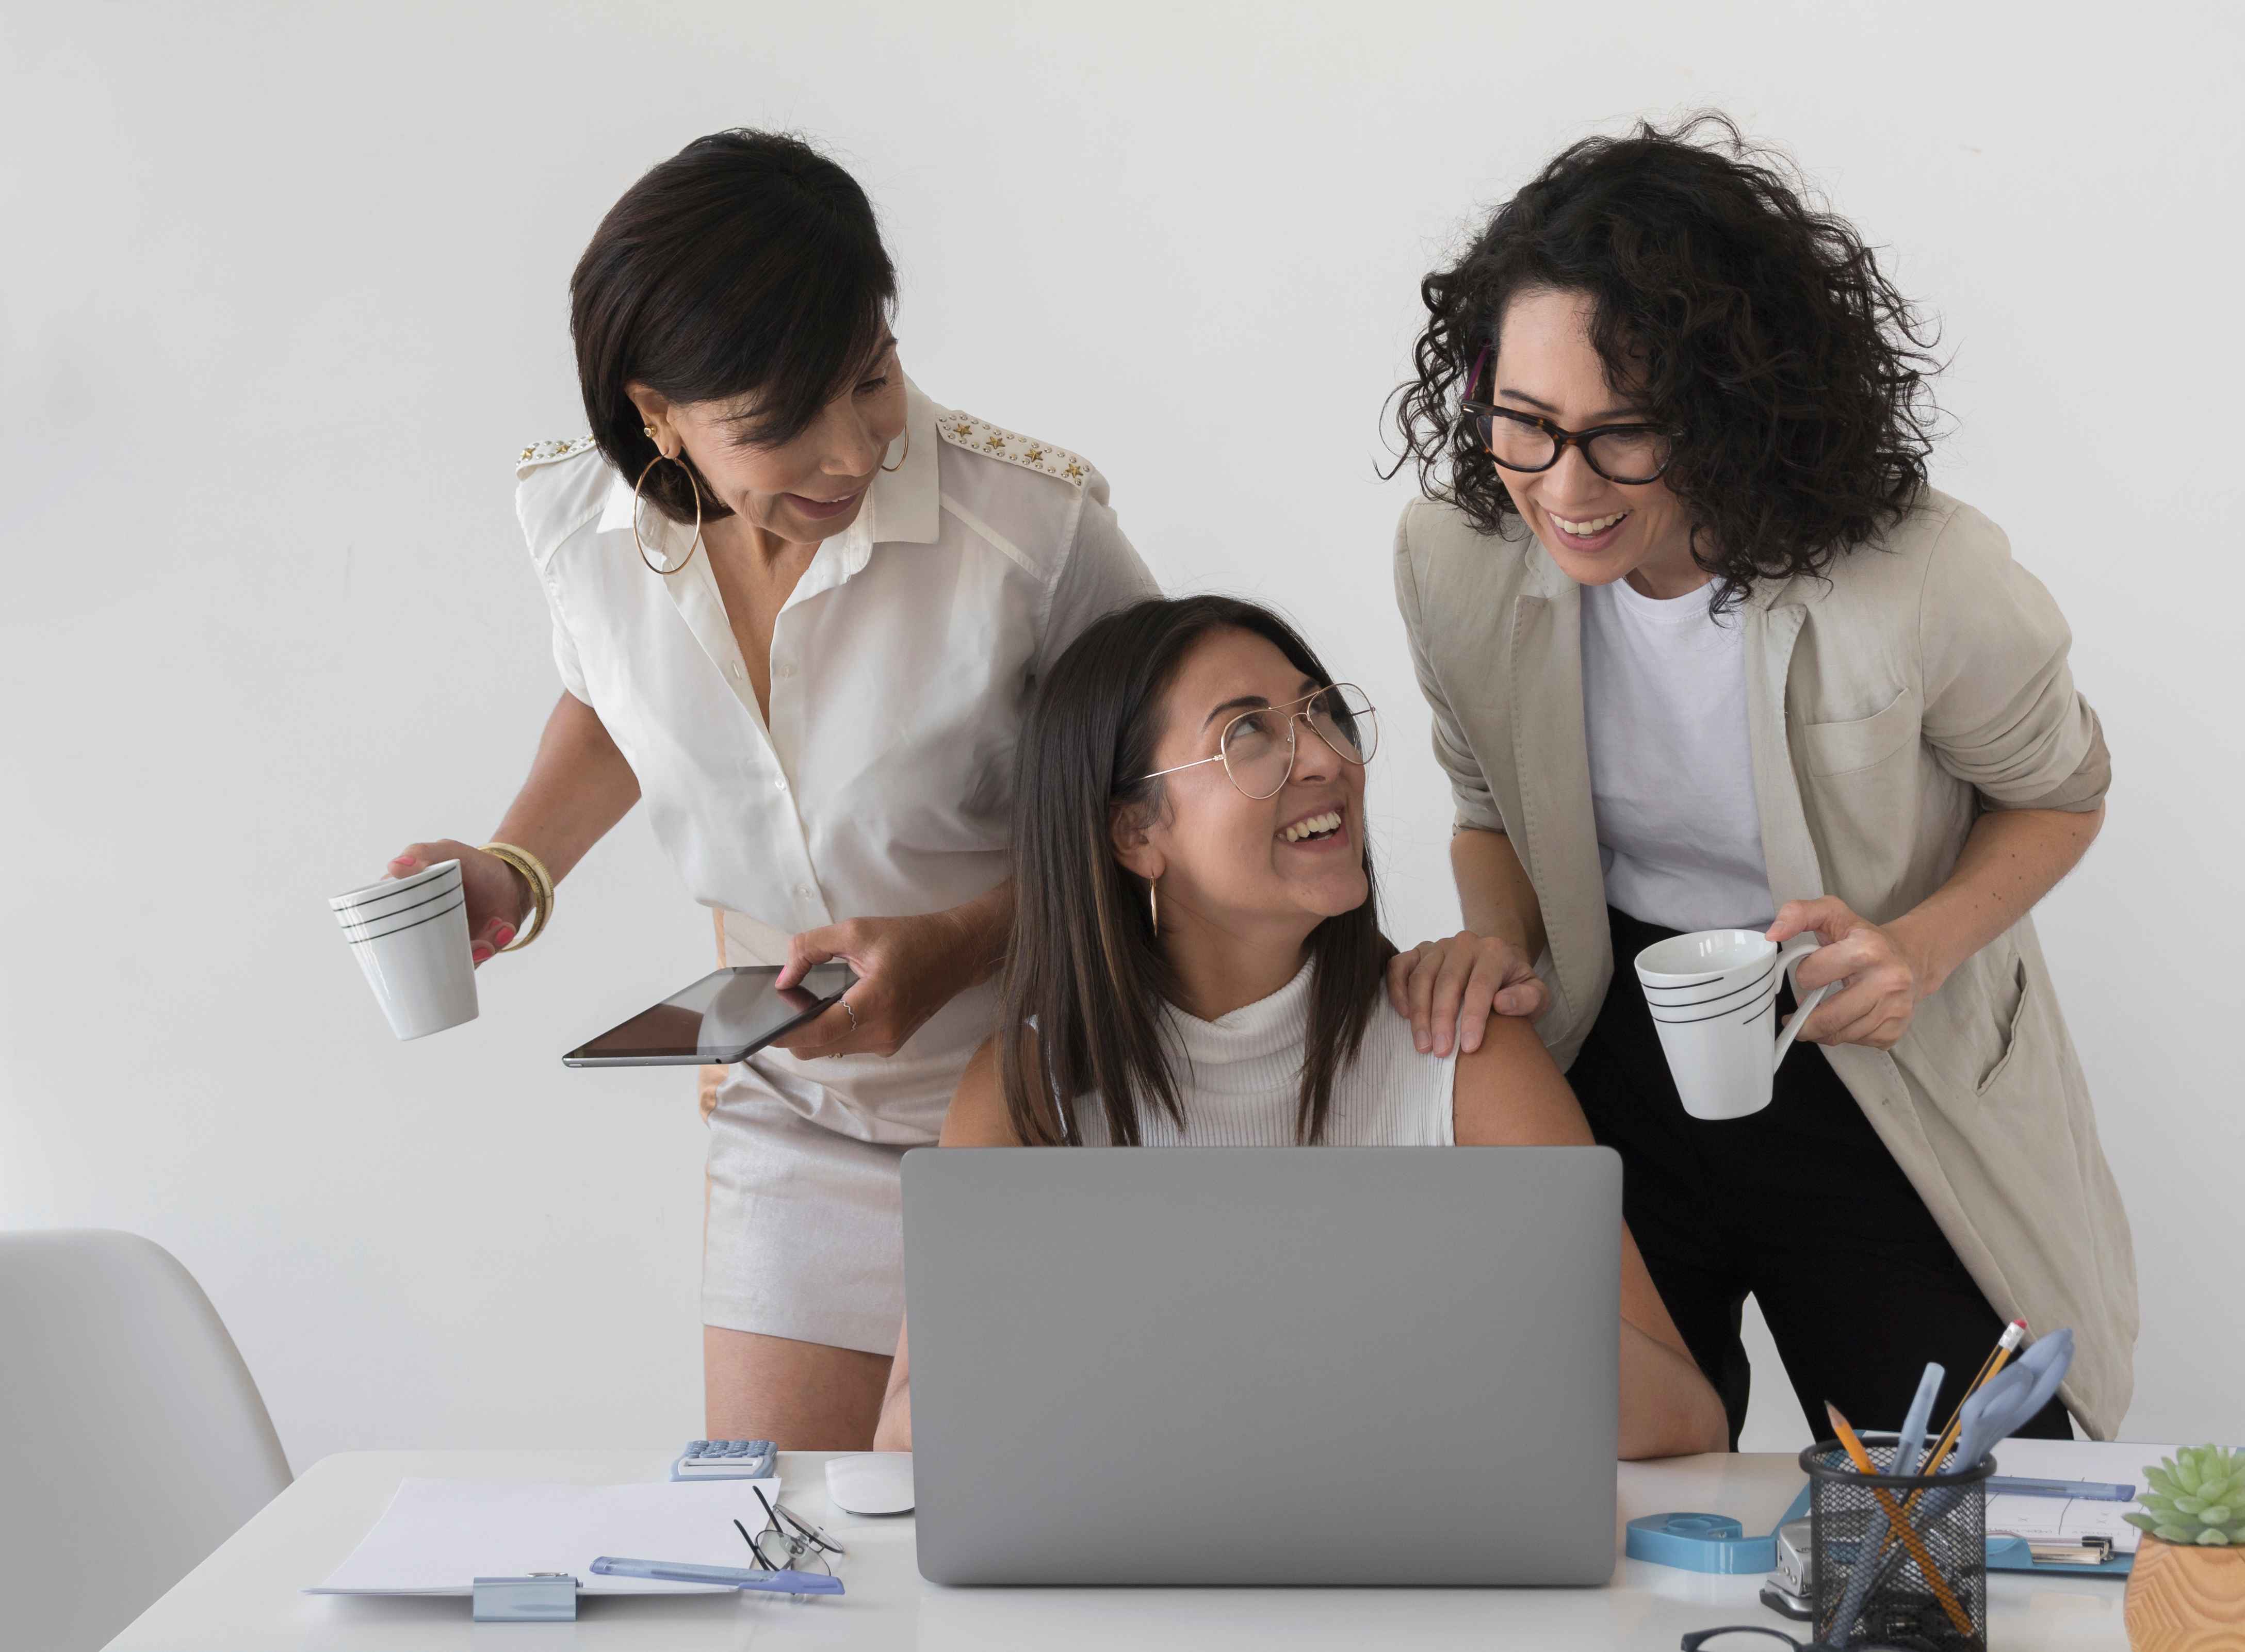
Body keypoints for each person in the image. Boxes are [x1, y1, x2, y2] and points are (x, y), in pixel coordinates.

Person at [380, 130, 1156, 1447]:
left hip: (1042, 1094)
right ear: (654, 413)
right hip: (788, 1111)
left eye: (871, 379)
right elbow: (623, 704)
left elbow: (1165, 813)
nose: (849, 454)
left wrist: (959, 941)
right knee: (775, 1550)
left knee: (1003, 1553)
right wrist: (514, 867)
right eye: (776, 425)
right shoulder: (578, 523)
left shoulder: (1031, 532)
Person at [1382, 116, 2136, 1445]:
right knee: (1592, 1481)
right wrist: (1496, 947)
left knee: (1958, 1503)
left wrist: (1914, 948)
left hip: (1860, 1052)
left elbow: (2059, 792)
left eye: (1623, 436)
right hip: (1611, 1035)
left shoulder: (1917, 577)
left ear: (1730, 413)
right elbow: (1487, 809)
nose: (1563, 488)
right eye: (1523, 424)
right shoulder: (1455, 555)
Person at [872, 597, 1726, 1460]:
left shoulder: (1463, 1050)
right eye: (1248, 734)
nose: (1325, 756)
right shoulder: (1028, 1086)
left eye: (1321, 713)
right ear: (1134, 830)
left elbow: (1685, 1422)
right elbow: (906, 1438)